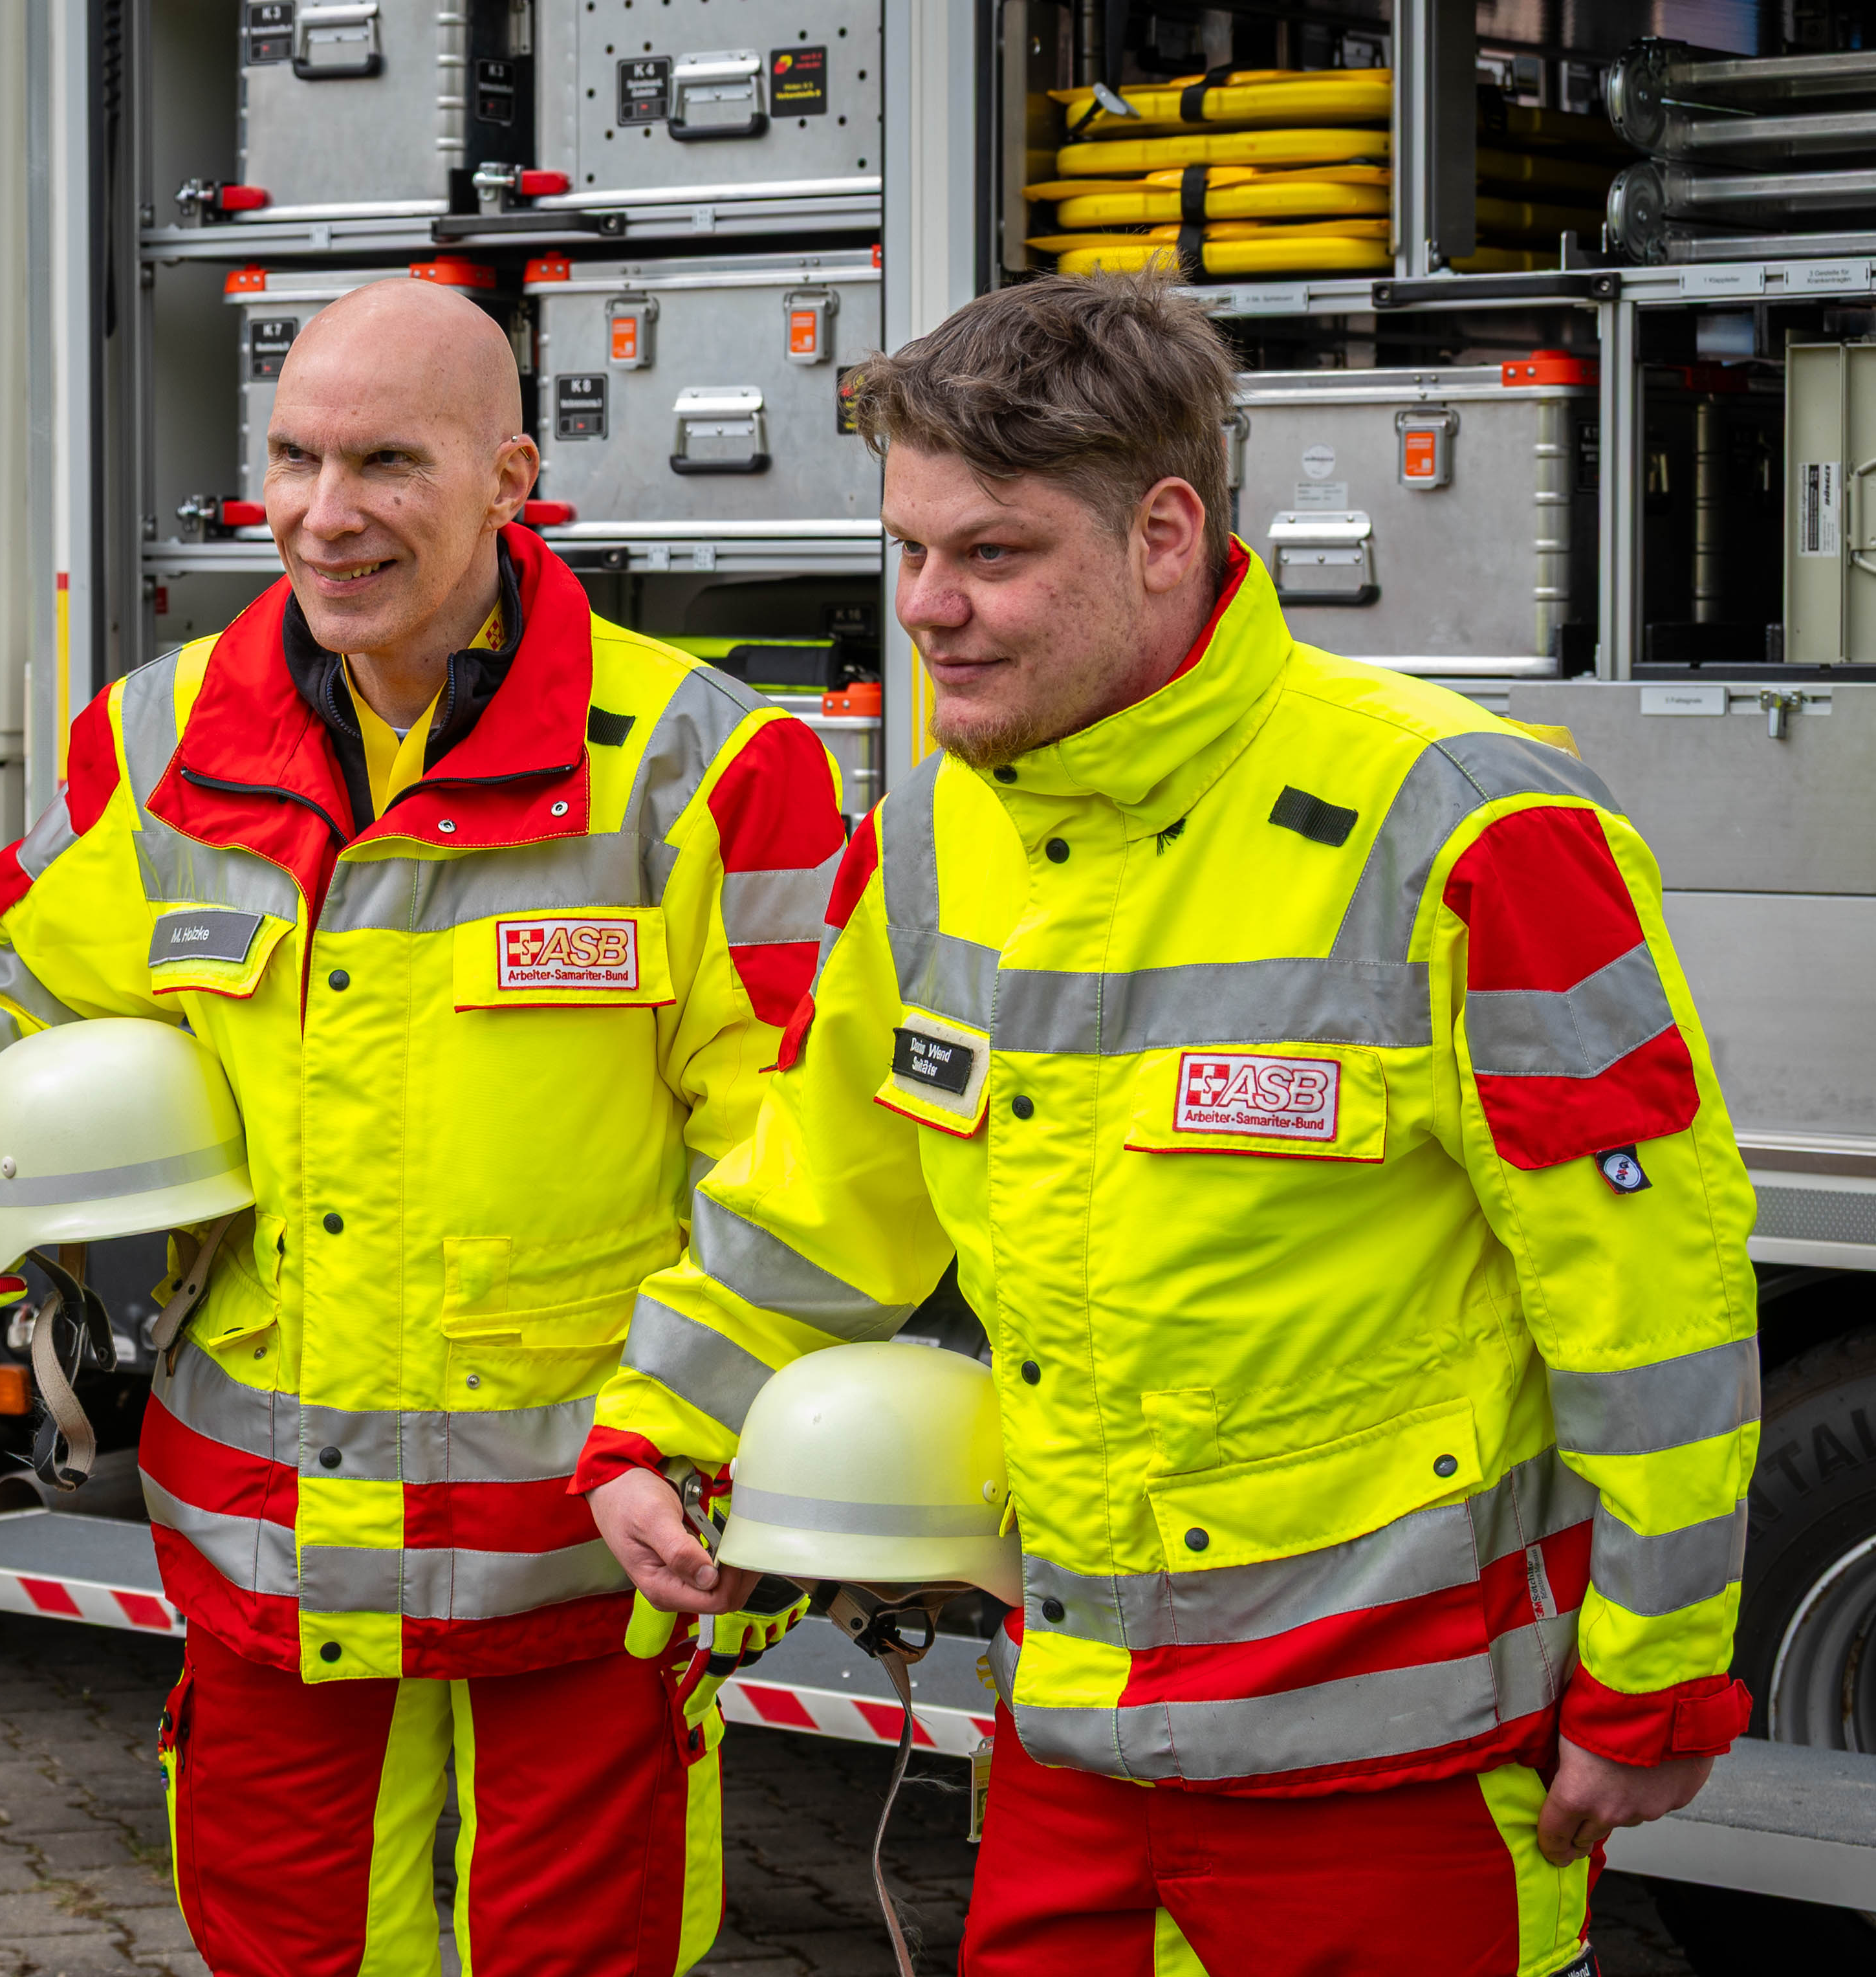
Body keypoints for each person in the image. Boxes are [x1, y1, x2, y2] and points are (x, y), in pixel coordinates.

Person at [582, 274, 1760, 1977]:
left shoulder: (1470, 833)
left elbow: (1653, 1300)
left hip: (1397, 1776)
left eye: (990, 554)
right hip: (1069, 1753)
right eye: (908, 551)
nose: (927, 608)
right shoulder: (932, 841)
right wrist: (653, 1430)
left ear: (1164, 533)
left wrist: (1657, 1675)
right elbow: (819, 1202)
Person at [0, 276, 848, 1976]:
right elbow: (15, 963)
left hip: (584, 1545)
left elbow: (800, 1149)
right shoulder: (157, 744)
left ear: (514, 483)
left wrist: (712, 1432)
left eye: (388, 462)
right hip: (267, 1539)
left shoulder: (709, 768)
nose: (325, 516)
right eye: (294, 459)